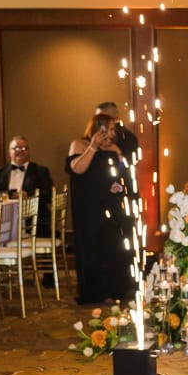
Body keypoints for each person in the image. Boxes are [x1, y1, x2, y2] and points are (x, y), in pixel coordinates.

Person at [66, 112, 137, 304]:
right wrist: (93, 147)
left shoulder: (115, 148)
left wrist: (120, 185)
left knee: (113, 247)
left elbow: (123, 173)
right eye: (110, 129)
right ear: (98, 129)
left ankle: (115, 289)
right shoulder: (79, 144)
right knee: (93, 247)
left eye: (114, 129)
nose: (113, 133)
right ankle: (94, 290)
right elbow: (77, 169)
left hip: (112, 206)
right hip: (89, 208)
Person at [0, 136, 55, 237]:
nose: (20, 151)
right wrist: (6, 195)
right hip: (1, 219)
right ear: (9, 152)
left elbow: (49, 194)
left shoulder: (40, 171)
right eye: (16, 148)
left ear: (29, 151)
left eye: (24, 148)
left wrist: (28, 195)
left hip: (33, 221)